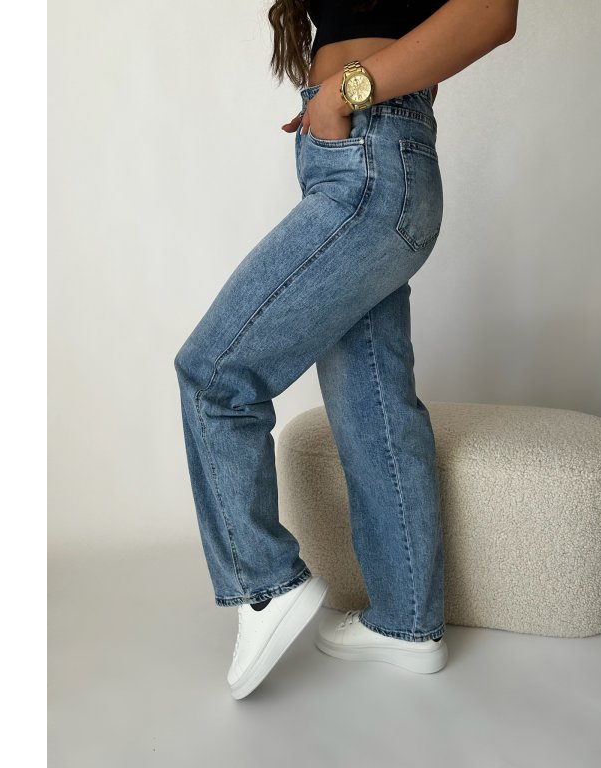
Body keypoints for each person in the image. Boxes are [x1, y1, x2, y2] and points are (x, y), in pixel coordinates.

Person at [174, 0, 519, 699]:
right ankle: (405, 621)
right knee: (372, 405)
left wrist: (345, 91)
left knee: (215, 375)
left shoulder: (359, 103)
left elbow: (491, 11)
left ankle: (265, 586)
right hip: (361, 154)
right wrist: (328, 106)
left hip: (372, 155)